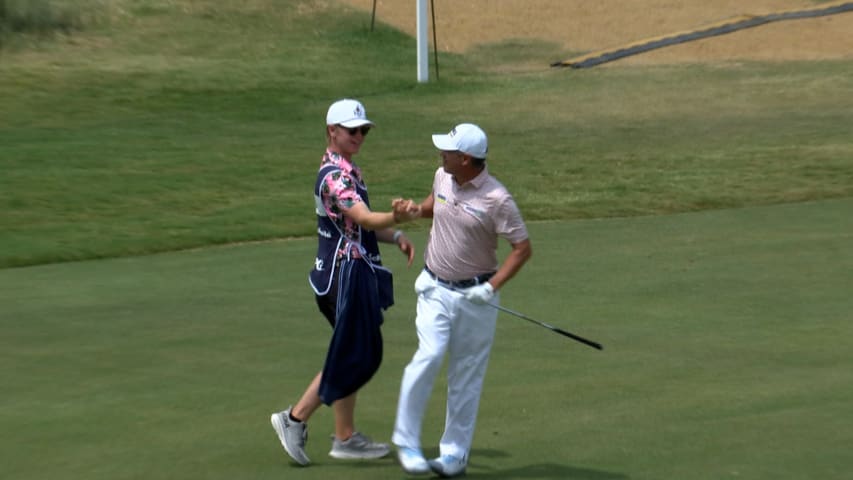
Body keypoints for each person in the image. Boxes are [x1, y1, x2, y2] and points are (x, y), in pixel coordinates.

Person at [271, 98, 420, 466]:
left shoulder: (346, 169)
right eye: (351, 130)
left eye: (363, 130)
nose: (358, 136)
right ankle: (294, 418)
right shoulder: (335, 177)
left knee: (352, 351)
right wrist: (393, 216)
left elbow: (358, 227)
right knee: (358, 355)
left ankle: (345, 436)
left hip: (345, 274)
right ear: (331, 131)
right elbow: (364, 219)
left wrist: (396, 234)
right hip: (346, 277)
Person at [392, 123, 532, 477]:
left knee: (465, 375)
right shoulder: (442, 176)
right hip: (435, 288)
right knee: (430, 355)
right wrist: (412, 209)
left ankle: (453, 455)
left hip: (476, 297)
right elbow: (432, 206)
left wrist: (491, 288)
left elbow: (522, 249)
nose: (441, 154)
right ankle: (407, 442)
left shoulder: (497, 199)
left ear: (466, 159)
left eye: (448, 151)